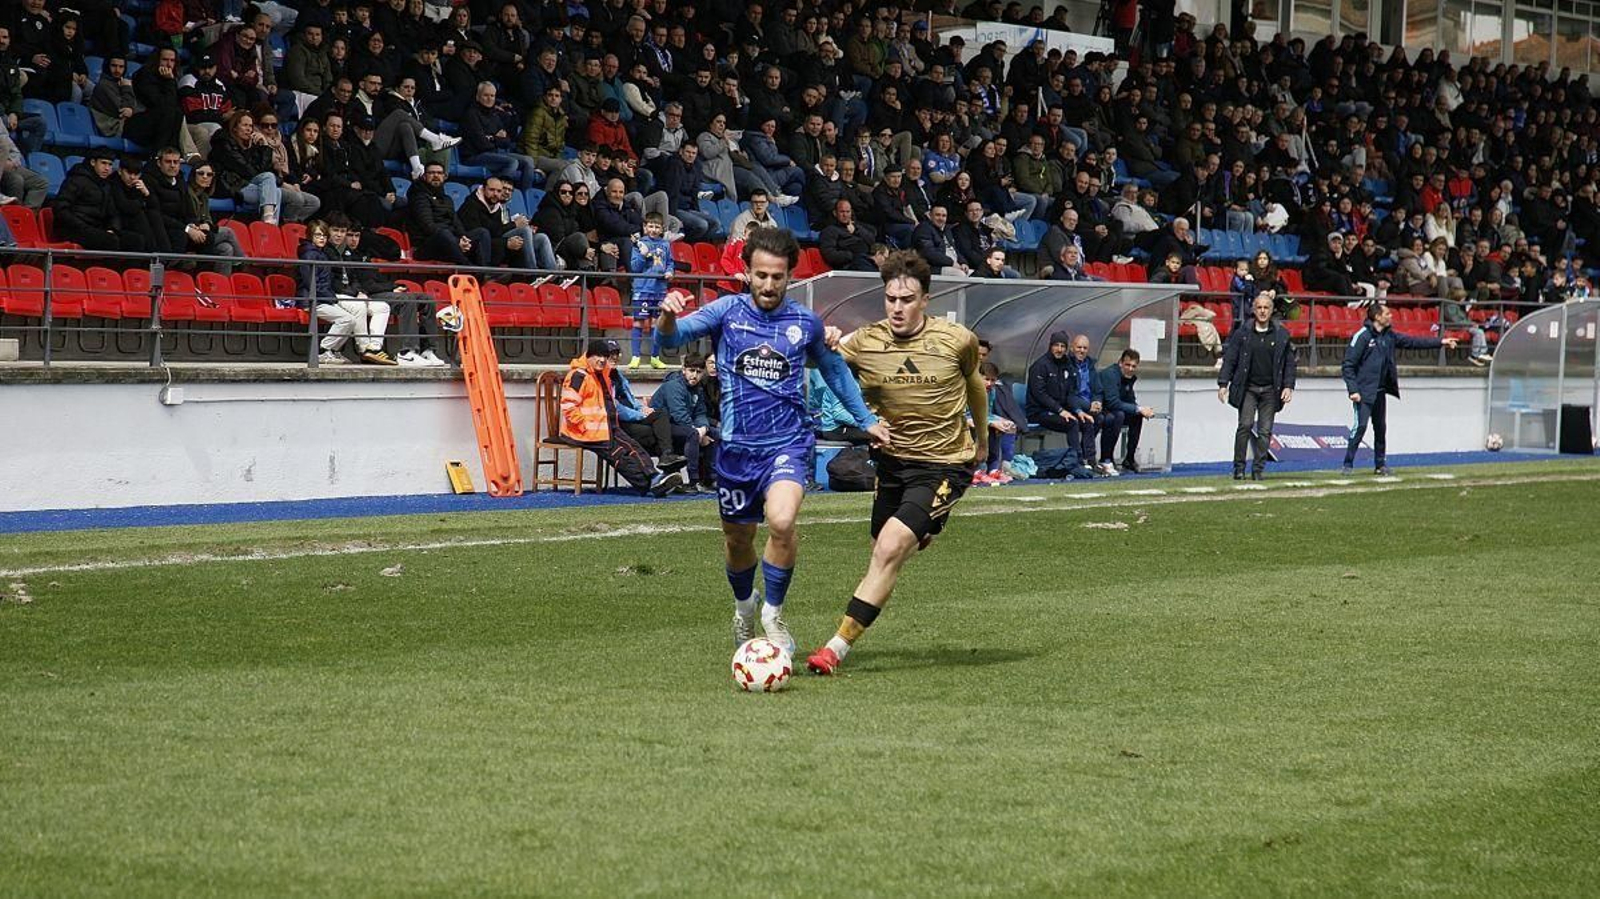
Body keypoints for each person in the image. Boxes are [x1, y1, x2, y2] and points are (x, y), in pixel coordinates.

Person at [654, 227, 888, 656]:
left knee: (781, 522)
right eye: (760, 275)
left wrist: (866, 420)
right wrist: (667, 315)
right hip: (736, 450)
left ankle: (772, 615)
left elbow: (835, 371)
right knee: (738, 541)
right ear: (747, 272)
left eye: (777, 277)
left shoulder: (805, 322)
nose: (768, 284)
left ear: (789, 277)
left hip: (787, 445)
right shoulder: (726, 311)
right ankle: (745, 607)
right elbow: (667, 340)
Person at [805, 251, 987, 676]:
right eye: (891, 299)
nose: (897, 308)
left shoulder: (957, 340)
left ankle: (835, 648)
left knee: (890, 547)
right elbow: (816, 360)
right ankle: (923, 527)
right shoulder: (865, 342)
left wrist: (982, 439)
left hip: (944, 463)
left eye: (907, 299)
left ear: (925, 300)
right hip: (891, 461)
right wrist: (823, 337)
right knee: (881, 549)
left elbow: (975, 385)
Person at [557, 339, 688, 497]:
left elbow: (610, 402)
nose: (602, 360)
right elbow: (568, 407)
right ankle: (648, 484)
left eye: (605, 356)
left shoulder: (601, 374)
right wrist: (585, 427)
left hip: (605, 427)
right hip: (585, 433)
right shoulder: (578, 376)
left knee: (633, 446)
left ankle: (654, 476)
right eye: (599, 356)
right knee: (619, 455)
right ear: (589, 356)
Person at [1340, 304, 1458, 475]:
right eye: (1387, 313)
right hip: (1364, 393)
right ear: (1377, 317)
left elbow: (1413, 342)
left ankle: (1380, 465)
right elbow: (1348, 366)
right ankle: (1348, 464)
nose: (1391, 316)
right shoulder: (1362, 336)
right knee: (1360, 427)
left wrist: (1440, 342)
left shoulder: (1389, 336)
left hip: (1380, 391)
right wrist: (1353, 390)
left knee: (1380, 428)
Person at [1218, 294, 1297, 480]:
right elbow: (1230, 359)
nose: (1262, 311)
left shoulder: (1281, 334)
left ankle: (1258, 470)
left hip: (1271, 390)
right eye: (1259, 307)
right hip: (1248, 389)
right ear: (1254, 310)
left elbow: (1289, 363)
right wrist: (1223, 384)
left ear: (1271, 310)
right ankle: (1239, 468)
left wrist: (1288, 386)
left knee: (1264, 431)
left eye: (1266, 308)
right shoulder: (1242, 333)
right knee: (1244, 426)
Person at [1024, 330, 1098, 478]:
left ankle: (1091, 462)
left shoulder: (1067, 365)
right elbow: (1040, 395)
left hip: (1059, 410)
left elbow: (1070, 394)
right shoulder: (1039, 366)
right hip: (1039, 412)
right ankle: (1077, 462)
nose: (1059, 349)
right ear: (1050, 346)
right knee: (1072, 423)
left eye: (1062, 346)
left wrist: (1078, 411)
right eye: (1056, 345)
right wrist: (1060, 410)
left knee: (1087, 421)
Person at [651, 352, 719, 492]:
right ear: (684, 370)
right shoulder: (674, 386)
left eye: (699, 372)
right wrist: (697, 432)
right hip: (663, 428)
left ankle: (710, 479)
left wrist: (704, 428)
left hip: (683, 425)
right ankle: (693, 481)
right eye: (691, 371)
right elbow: (679, 415)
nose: (694, 375)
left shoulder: (697, 389)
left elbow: (700, 412)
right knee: (692, 434)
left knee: (716, 434)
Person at [1096, 349, 1157, 474]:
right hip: (1102, 410)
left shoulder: (1129, 378)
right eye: (1127, 365)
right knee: (1119, 415)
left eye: (1133, 366)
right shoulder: (1110, 374)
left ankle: (1129, 458)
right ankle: (1106, 458)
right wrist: (1139, 409)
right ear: (1120, 363)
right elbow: (1112, 402)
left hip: (1115, 410)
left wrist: (1141, 410)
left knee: (1136, 416)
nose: (1130, 369)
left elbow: (1130, 400)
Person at [627, 212, 674, 369]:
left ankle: (655, 357)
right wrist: (642, 255)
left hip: (660, 290)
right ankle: (635, 357)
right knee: (639, 322)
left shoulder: (666, 245)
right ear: (645, 227)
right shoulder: (639, 244)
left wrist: (670, 272)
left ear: (662, 228)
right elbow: (635, 267)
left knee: (656, 324)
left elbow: (670, 262)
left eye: (657, 227)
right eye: (651, 226)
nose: (654, 230)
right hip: (642, 289)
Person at [977, 360, 1023, 484]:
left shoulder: (992, 391)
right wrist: (992, 422)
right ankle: (977, 470)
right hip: (966, 420)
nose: (989, 383)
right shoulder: (972, 390)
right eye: (986, 379)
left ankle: (999, 468)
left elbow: (988, 413)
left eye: (993, 380)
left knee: (1009, 426)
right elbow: (970, 415)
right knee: (986, 427)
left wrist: (1002, 421)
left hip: (982, 418)